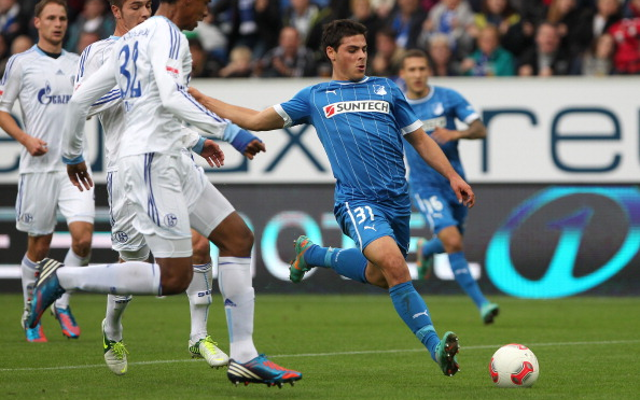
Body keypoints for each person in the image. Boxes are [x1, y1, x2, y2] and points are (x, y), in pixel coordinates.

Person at [24, 0, 302, 388]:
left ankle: (244, 355)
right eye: (203, 3)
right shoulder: (167, 35)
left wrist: (73, 153)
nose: (206, 13)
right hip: (150, 161)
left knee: (238, 238)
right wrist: (232, 132)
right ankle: (66, 279)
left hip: (171, 155)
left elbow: (80, 99)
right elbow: (171, 98)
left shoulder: (134, 39)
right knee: (174, 277)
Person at [188, 19, 475, 377]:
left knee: (383, 274)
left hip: (398, 201)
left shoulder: (387, 89)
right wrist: (204, 100)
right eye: (352, 50)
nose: (361, 57)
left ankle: (313, 253)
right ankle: (436, 346)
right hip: (357, 200)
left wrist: (452, 176)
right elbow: (258, 119)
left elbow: (420, 139)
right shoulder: (316, 96)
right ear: (331, 53)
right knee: (395, 265)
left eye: (365, 50)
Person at [75, 0, 259, 375]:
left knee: (202, 241)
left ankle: (199, 335)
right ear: (116, 10)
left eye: (147, 4)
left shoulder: (162, 39)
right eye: (134, 5)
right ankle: (111, 326)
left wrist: (194, 140)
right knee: (134, 259)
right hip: (128, 165)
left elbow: (167, 105)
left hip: (172, 156)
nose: (143, 11)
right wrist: (141, 84)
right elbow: (85, 101)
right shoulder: (99, 52)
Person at [0, 0, 94, 343]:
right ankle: (31, 314)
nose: (58, 24)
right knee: (39, 247)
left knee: (83, 240)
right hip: (38, 168)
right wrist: (25, 139)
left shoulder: (79, 64)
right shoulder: (21, 64)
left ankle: (61, 302)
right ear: (37, 22)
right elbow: (2, 110)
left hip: (74, 167)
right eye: (51, 18)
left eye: (63, 18)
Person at [398, 49, 500, 324]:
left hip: (456, 182)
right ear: (403, 74)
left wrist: (457, 133)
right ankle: (483, 304)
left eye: (422, 68)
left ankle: (426, 250)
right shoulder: (398, 104)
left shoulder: (448, 98)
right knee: (453, 241)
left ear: (428, 71)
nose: (417, 74)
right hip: (423, 185)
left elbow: (481, 129)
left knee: (451, 241)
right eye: (412, 70)